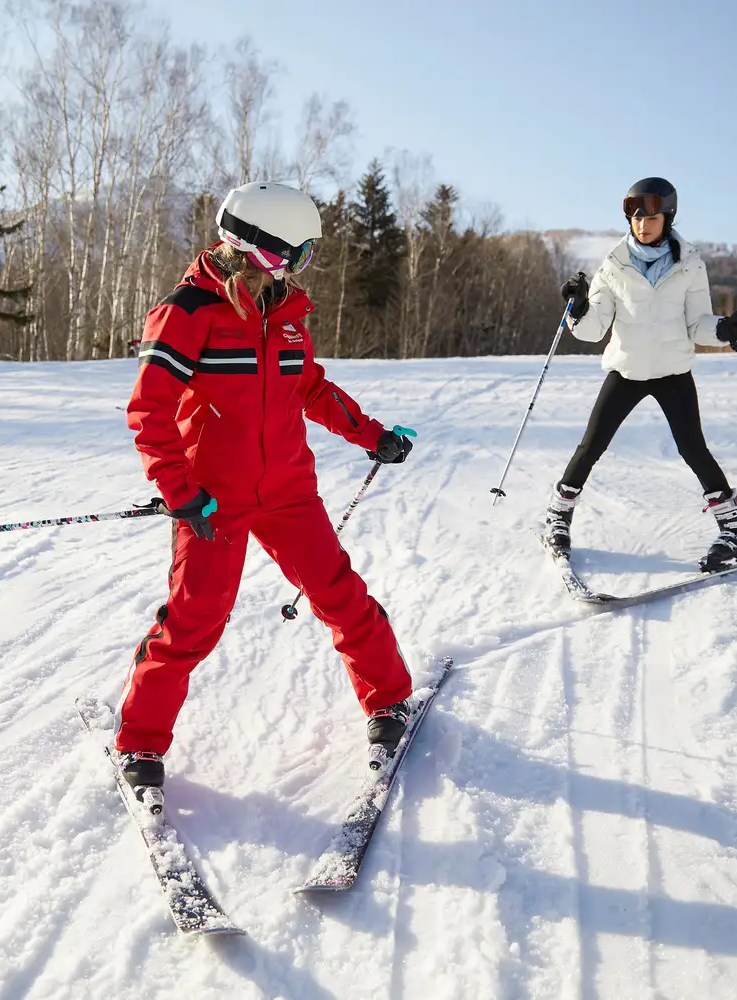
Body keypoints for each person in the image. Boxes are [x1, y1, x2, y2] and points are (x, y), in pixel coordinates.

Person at [116, 180, 417, 799]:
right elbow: (149, 410)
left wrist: (373, 435)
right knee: (194, 620)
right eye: (296, 252)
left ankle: (388, 700)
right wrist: (180, 492)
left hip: (288, 492)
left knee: (339, 593)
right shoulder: (189, 311)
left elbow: (310, 388)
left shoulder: (285, 314)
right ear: (257, 246)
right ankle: (141, 741)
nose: (301, 266)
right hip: (211, 502)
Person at [544, 177, 737, 574]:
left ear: (668, 217)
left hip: (673, 371)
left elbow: (698, 324)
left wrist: (727, 329)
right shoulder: (613, 265)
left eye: (652, 216)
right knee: (591, 445)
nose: (643, 224)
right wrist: (576, 308)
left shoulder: (691, 265)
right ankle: (557, 519)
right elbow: (594, 329)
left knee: (694, 450)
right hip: (627, 369)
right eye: (636, 216)